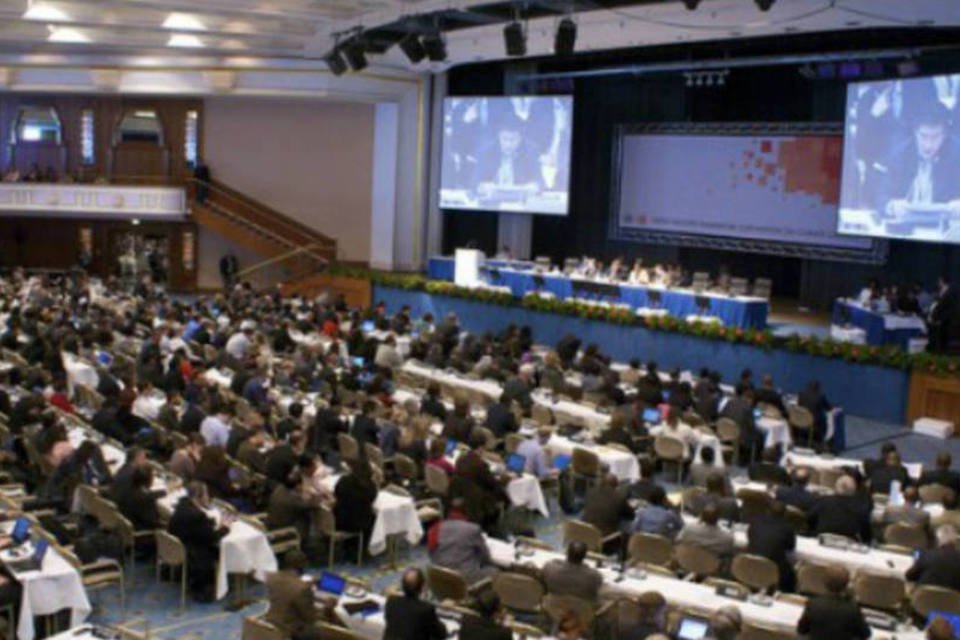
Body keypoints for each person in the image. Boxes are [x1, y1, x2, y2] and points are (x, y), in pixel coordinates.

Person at [881, 102, 960, 230]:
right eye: (923, 136)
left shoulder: (957, 154)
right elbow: (881, 196)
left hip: (945, 232)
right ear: (915, 132)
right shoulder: (900, 154)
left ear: (945, 135)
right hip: (905, 231)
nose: (928, 145)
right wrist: (892, 206)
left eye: (935, 137)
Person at [167, 481, 230, 602]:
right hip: (195, 554)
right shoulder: (197, 516)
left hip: (182, 546)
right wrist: (225, 527)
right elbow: (212, 538)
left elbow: (198, 527)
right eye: (206, 494)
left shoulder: (182, 505)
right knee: (221, 549)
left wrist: (210, 522)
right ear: (198, 496)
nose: (208, 497)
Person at [427, 498, 495, 584]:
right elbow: (485, 557)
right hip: (464, 579)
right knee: (494, 571)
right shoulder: (473, 529)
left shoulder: (434, 529)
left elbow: (432, 555)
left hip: (441, 577)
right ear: (467, 511)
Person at [796, 565, 871, 640]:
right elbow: (866, 634)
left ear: (824, 583)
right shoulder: (852, 608)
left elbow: (801, 630)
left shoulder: (813, 604)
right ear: (847, 585)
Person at [264, 550, 324, 640]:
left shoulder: (271, 577)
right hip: (289, 630)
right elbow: (311, 618)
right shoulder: (302, 588)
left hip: (272, 620)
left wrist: (303, 584)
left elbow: (287, 588)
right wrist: (327, 608)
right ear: (302, 565)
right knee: (318, 631)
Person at [383, 567, 447, 640]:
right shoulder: (426, 609)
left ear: (402, 585)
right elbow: (441, 634)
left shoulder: (392, 601)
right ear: (423, 587)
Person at [747, 500, 797, 591]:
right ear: (785, 514)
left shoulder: (755, 521)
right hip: (773, 567)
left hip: (749, 565)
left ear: (767, 511)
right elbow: (790, 547)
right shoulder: (788, 528)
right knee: (791, 572)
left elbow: (750, 538)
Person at [808, 475, 872, 542]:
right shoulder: (860, 509)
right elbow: (866, 534)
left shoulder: (824, 501)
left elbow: (810, 518)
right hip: (848, 547)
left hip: (820, 541)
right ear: (854, 491)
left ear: (835, 487)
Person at [333, 458, 377, 550]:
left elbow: (336, 494)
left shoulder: (343, 480)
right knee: (375, 517)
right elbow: (371, 501)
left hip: (340, 520)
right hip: (360, 523)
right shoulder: (371, 487)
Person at [906, 525, 960, 591]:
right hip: (952, 600)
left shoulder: (926, 555)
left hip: (922, 599)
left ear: (937, 540)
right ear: (956, 541)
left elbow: (909, 576)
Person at [798, 380, 832, 444]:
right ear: (818, 388)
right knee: (825, 419)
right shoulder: (821, 397)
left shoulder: (801, 394)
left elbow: (799, 406)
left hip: (802, 421)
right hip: (814, 422)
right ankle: (822, 440)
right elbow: (828, 408)